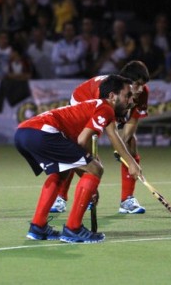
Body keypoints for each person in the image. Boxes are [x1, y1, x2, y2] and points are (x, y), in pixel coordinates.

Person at [15, 74, 142, 243]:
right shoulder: (105, 108)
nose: (130, 101)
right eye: (127, 95)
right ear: (112, 96)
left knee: (62, 173)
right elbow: (83, 140)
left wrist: (89, 182)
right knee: (96, 169)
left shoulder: (99, 107)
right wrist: (130, 163)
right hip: (43, 132)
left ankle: (38, 227)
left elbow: (112, 137)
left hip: (24, 132)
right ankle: (73, 229)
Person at [50, 61, 151, 214]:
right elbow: (110, 132)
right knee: (75, 148)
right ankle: (60, 198)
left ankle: (127, 200)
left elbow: (132, 121)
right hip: (82, 103)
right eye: (137, 84)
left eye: (143, 84)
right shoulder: (107, 92)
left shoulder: (142, 93)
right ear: (126, 82)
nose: (140, 89)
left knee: (130, 143)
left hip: (113, 107)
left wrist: (123, 147)